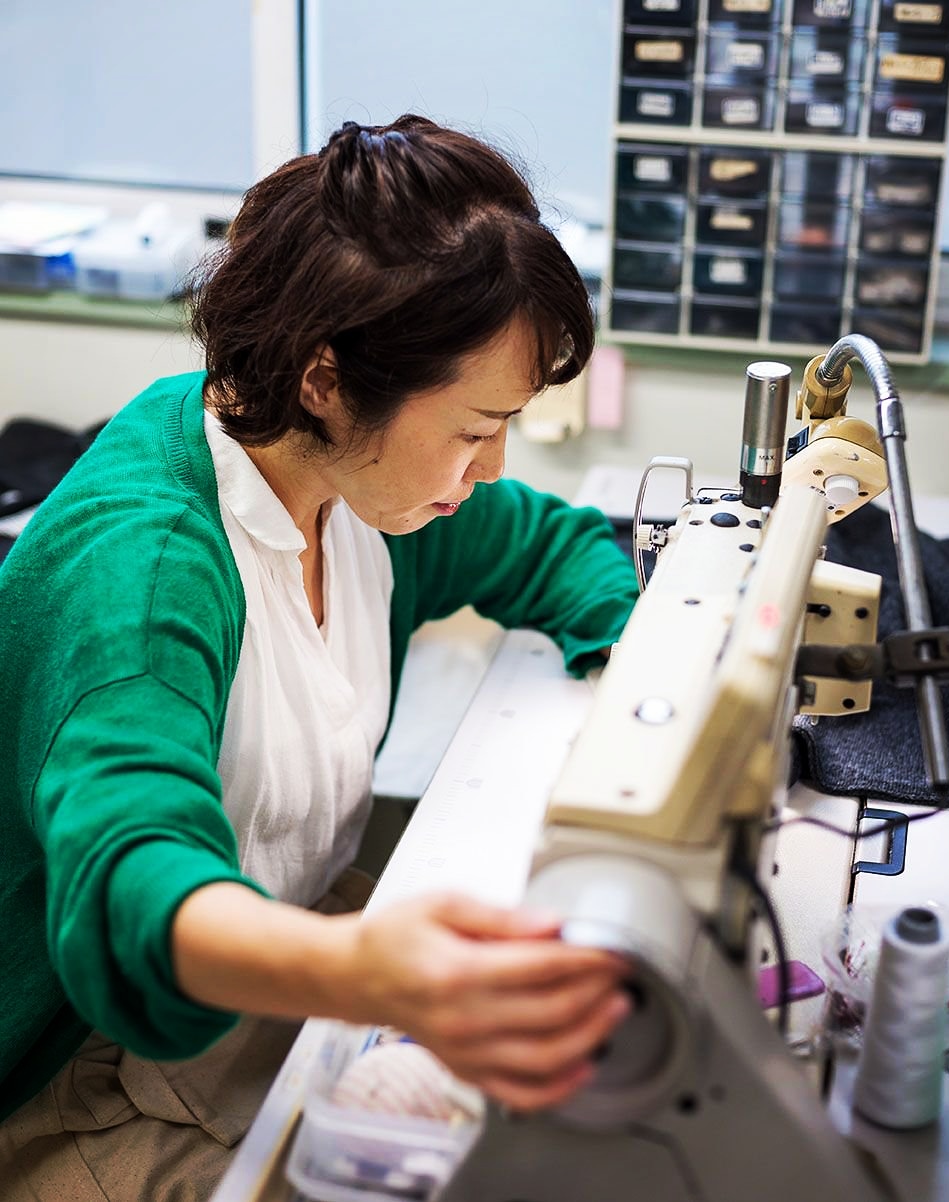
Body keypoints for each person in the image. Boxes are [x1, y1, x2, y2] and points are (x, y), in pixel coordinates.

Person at [0, 114, 639, 1200]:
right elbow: (132, 889)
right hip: (76, 1062)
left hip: (272, 954)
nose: (491, 467)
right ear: (325, 380)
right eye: (473, 428)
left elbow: (555, 546)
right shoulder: (145, 578)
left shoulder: (348, 482)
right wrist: (359, 968)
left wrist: (635, 678)